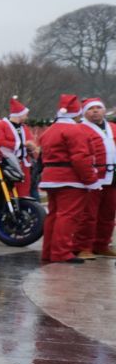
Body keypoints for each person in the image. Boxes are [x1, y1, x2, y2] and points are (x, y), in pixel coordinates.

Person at [37, 94, 97, 264]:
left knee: (54, 216)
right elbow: (80, 158)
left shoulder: (50, 130)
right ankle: (61, 252)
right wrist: (91, 179)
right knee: (68, 216)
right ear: (77, 113)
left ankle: (48, 251)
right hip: (70, 179)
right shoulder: (76, 131)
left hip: (50, 177)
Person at [78, 97, 116, 258]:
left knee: (108, 214)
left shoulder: (113, 127)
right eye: (90, 109)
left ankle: (102, 244)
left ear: (104, 110)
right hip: (93, 176)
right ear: (84, 112)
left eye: (98, 108)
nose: (95, 111)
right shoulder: (80, 129)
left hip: (113, 176)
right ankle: (83, 247)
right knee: (88, 214)